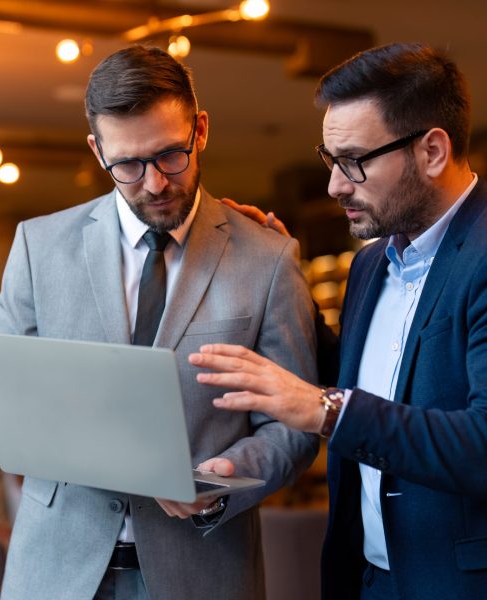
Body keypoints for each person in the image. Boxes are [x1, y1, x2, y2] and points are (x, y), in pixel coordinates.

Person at [0, 45, 319, 600]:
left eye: (170, 156)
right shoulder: (38, 248)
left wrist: (228, 475)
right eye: (128, 166)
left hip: (203, 570)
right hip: (55, 571)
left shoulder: (268, 259)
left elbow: (297, 422)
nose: (155, 183)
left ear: (200, 129)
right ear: (97, 149)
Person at [189, 42, 487, 600]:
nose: (334, 186)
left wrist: (325, 411)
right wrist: (285, 283)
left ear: (433, 151)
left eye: (353, 161)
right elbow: (367, 378)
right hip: (370, 580)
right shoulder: (372, 264)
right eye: (330, 161)